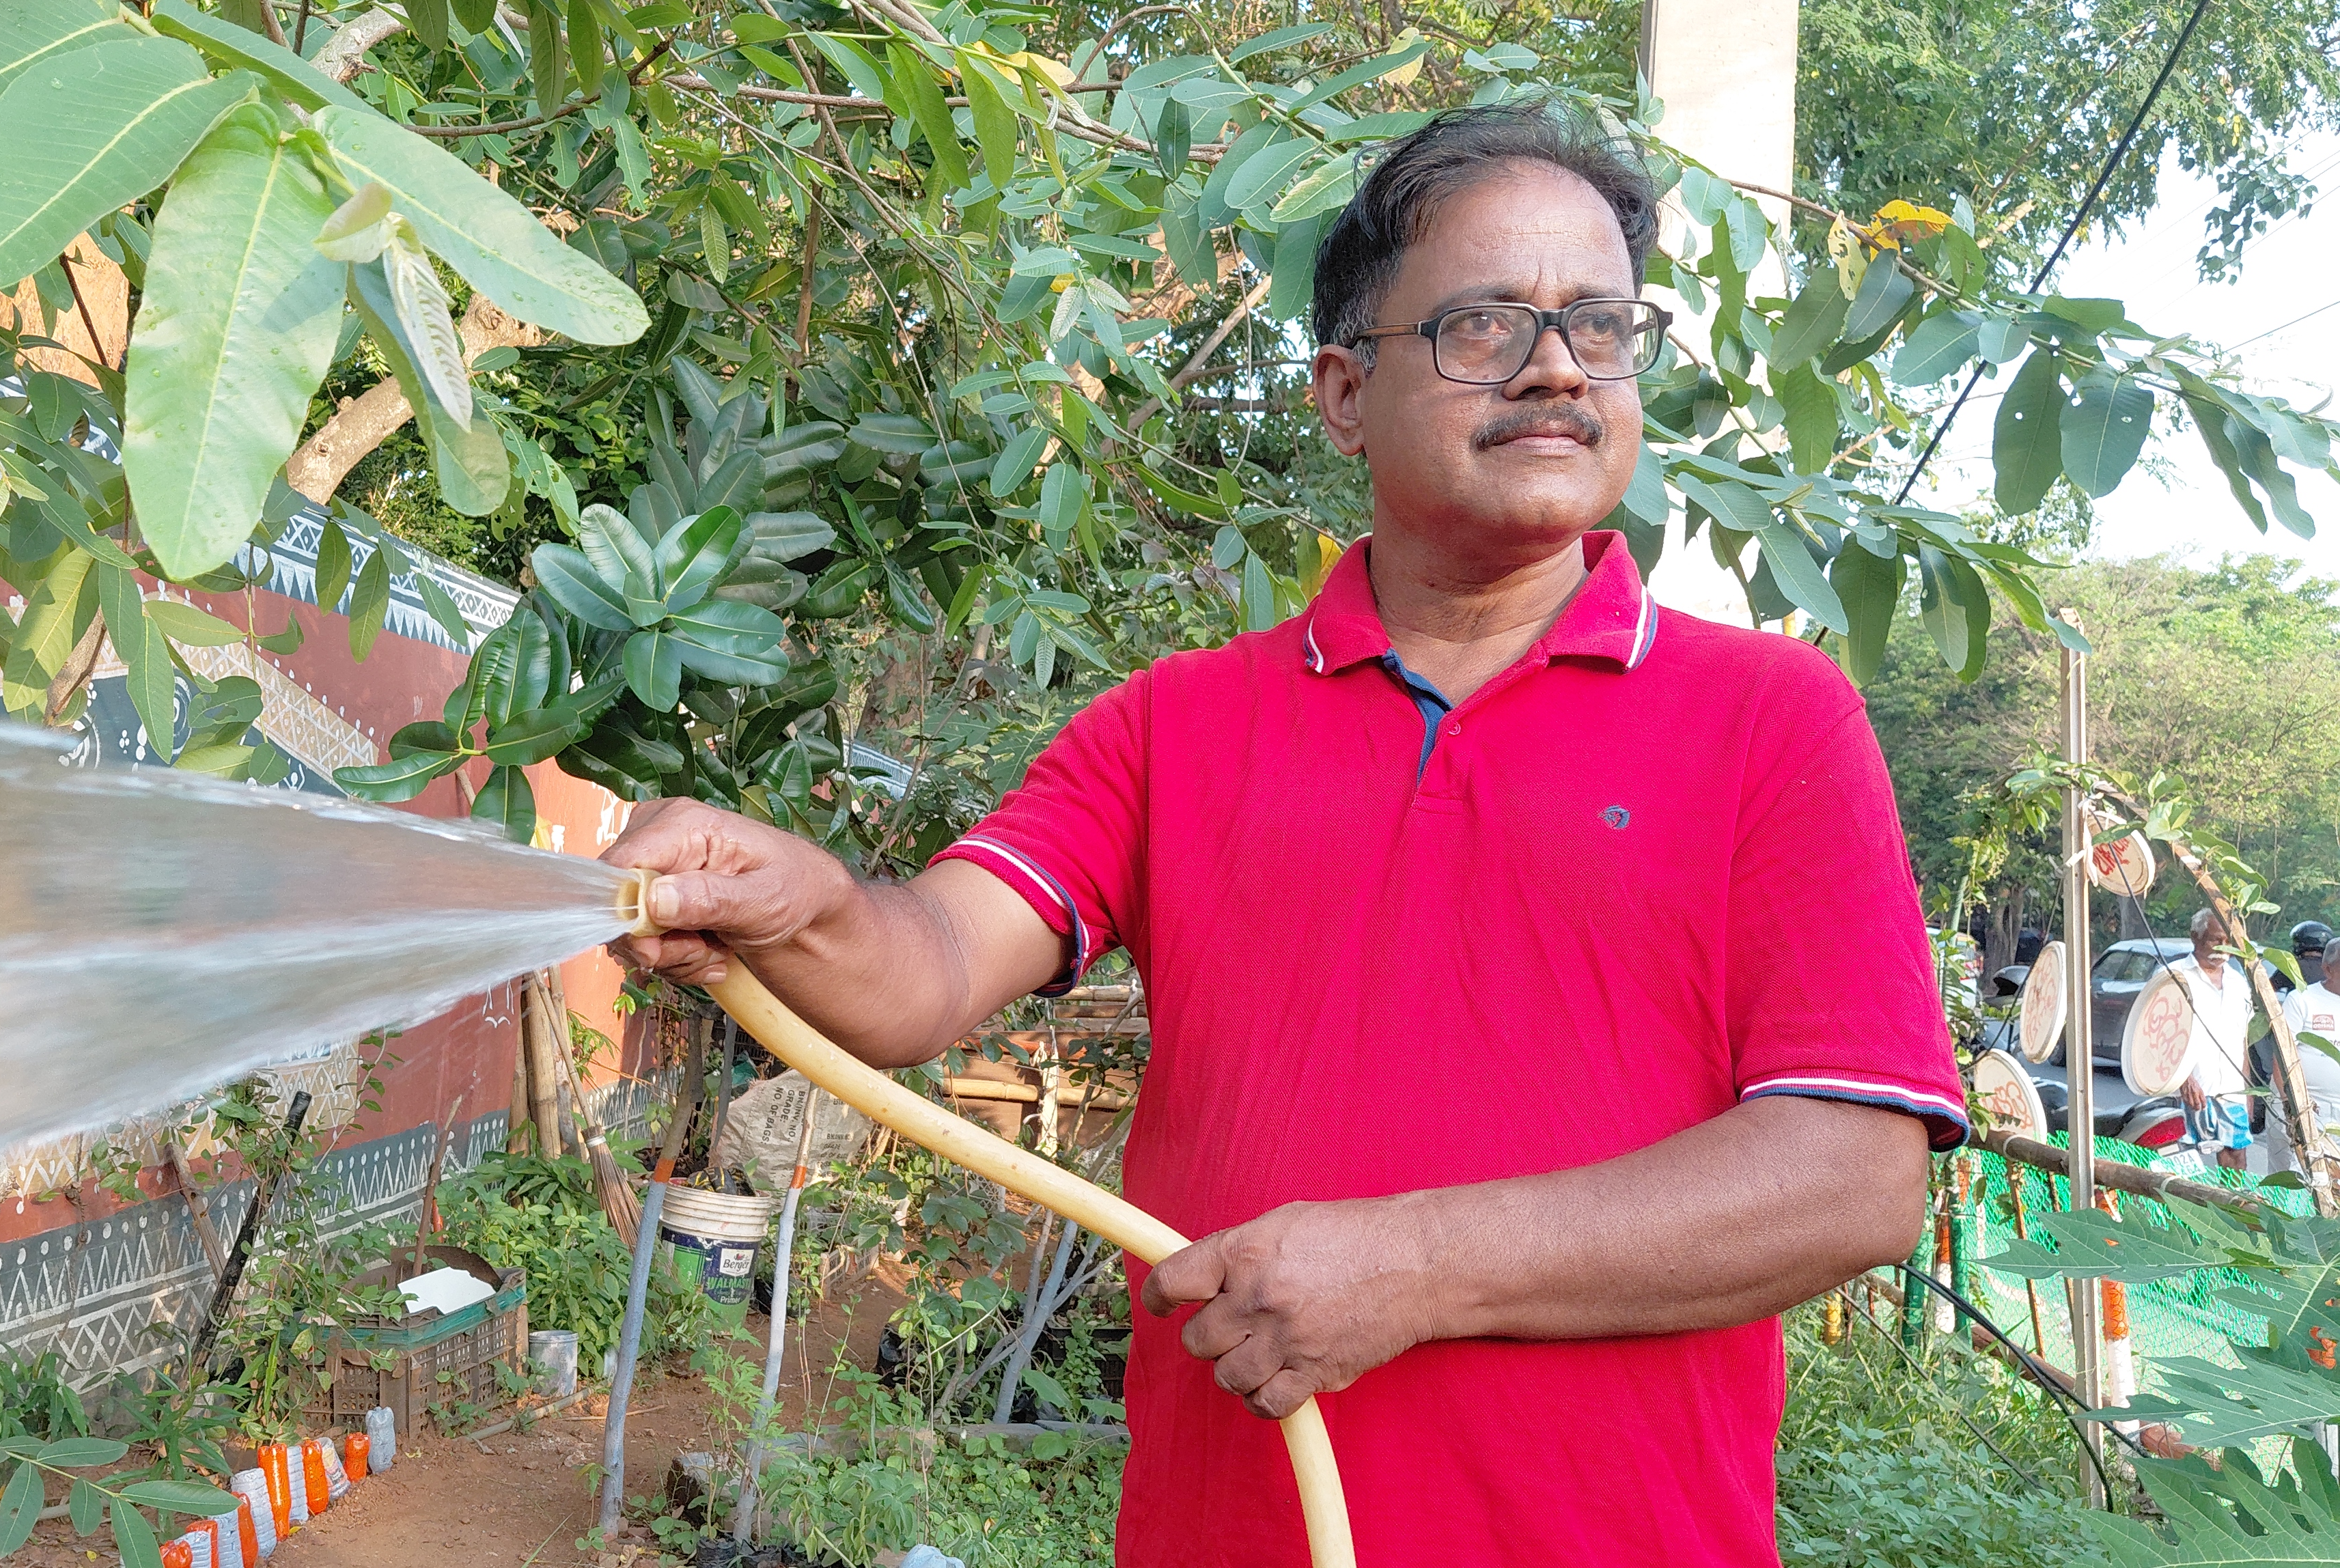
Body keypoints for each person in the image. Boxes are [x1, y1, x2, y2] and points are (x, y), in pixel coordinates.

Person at [602, 103, 1958, 1565]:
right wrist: (799, 897)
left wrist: (1417, 1266)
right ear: (1340, 395)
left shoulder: (1773, 717)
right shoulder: (1174, 727)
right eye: (1486, 325)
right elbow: (927, 962)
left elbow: (1853, 1173)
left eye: (1601, 325)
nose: (1559, 364)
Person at [2173, 908, 2259, 1171]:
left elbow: (2242, 1043)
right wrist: (2184, 1079)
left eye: (2228, 941)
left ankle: (2232, 1213)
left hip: (2232, 1093)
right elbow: (2156, 1038)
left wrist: (2248, 1093)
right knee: (2188, 1170)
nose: (2223, 947)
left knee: (2236, 1163)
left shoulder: (2239, 983)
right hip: (2189, 1093)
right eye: (2215, 939)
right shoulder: (2175, 977)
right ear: (2194, 937)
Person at [2270, 940, 2340, 1173]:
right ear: (2327, 969)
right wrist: (2291, 1105)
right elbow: (2282, 1056)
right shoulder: (2302, 1000)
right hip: (2308, 1106)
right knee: (2297, 1176)